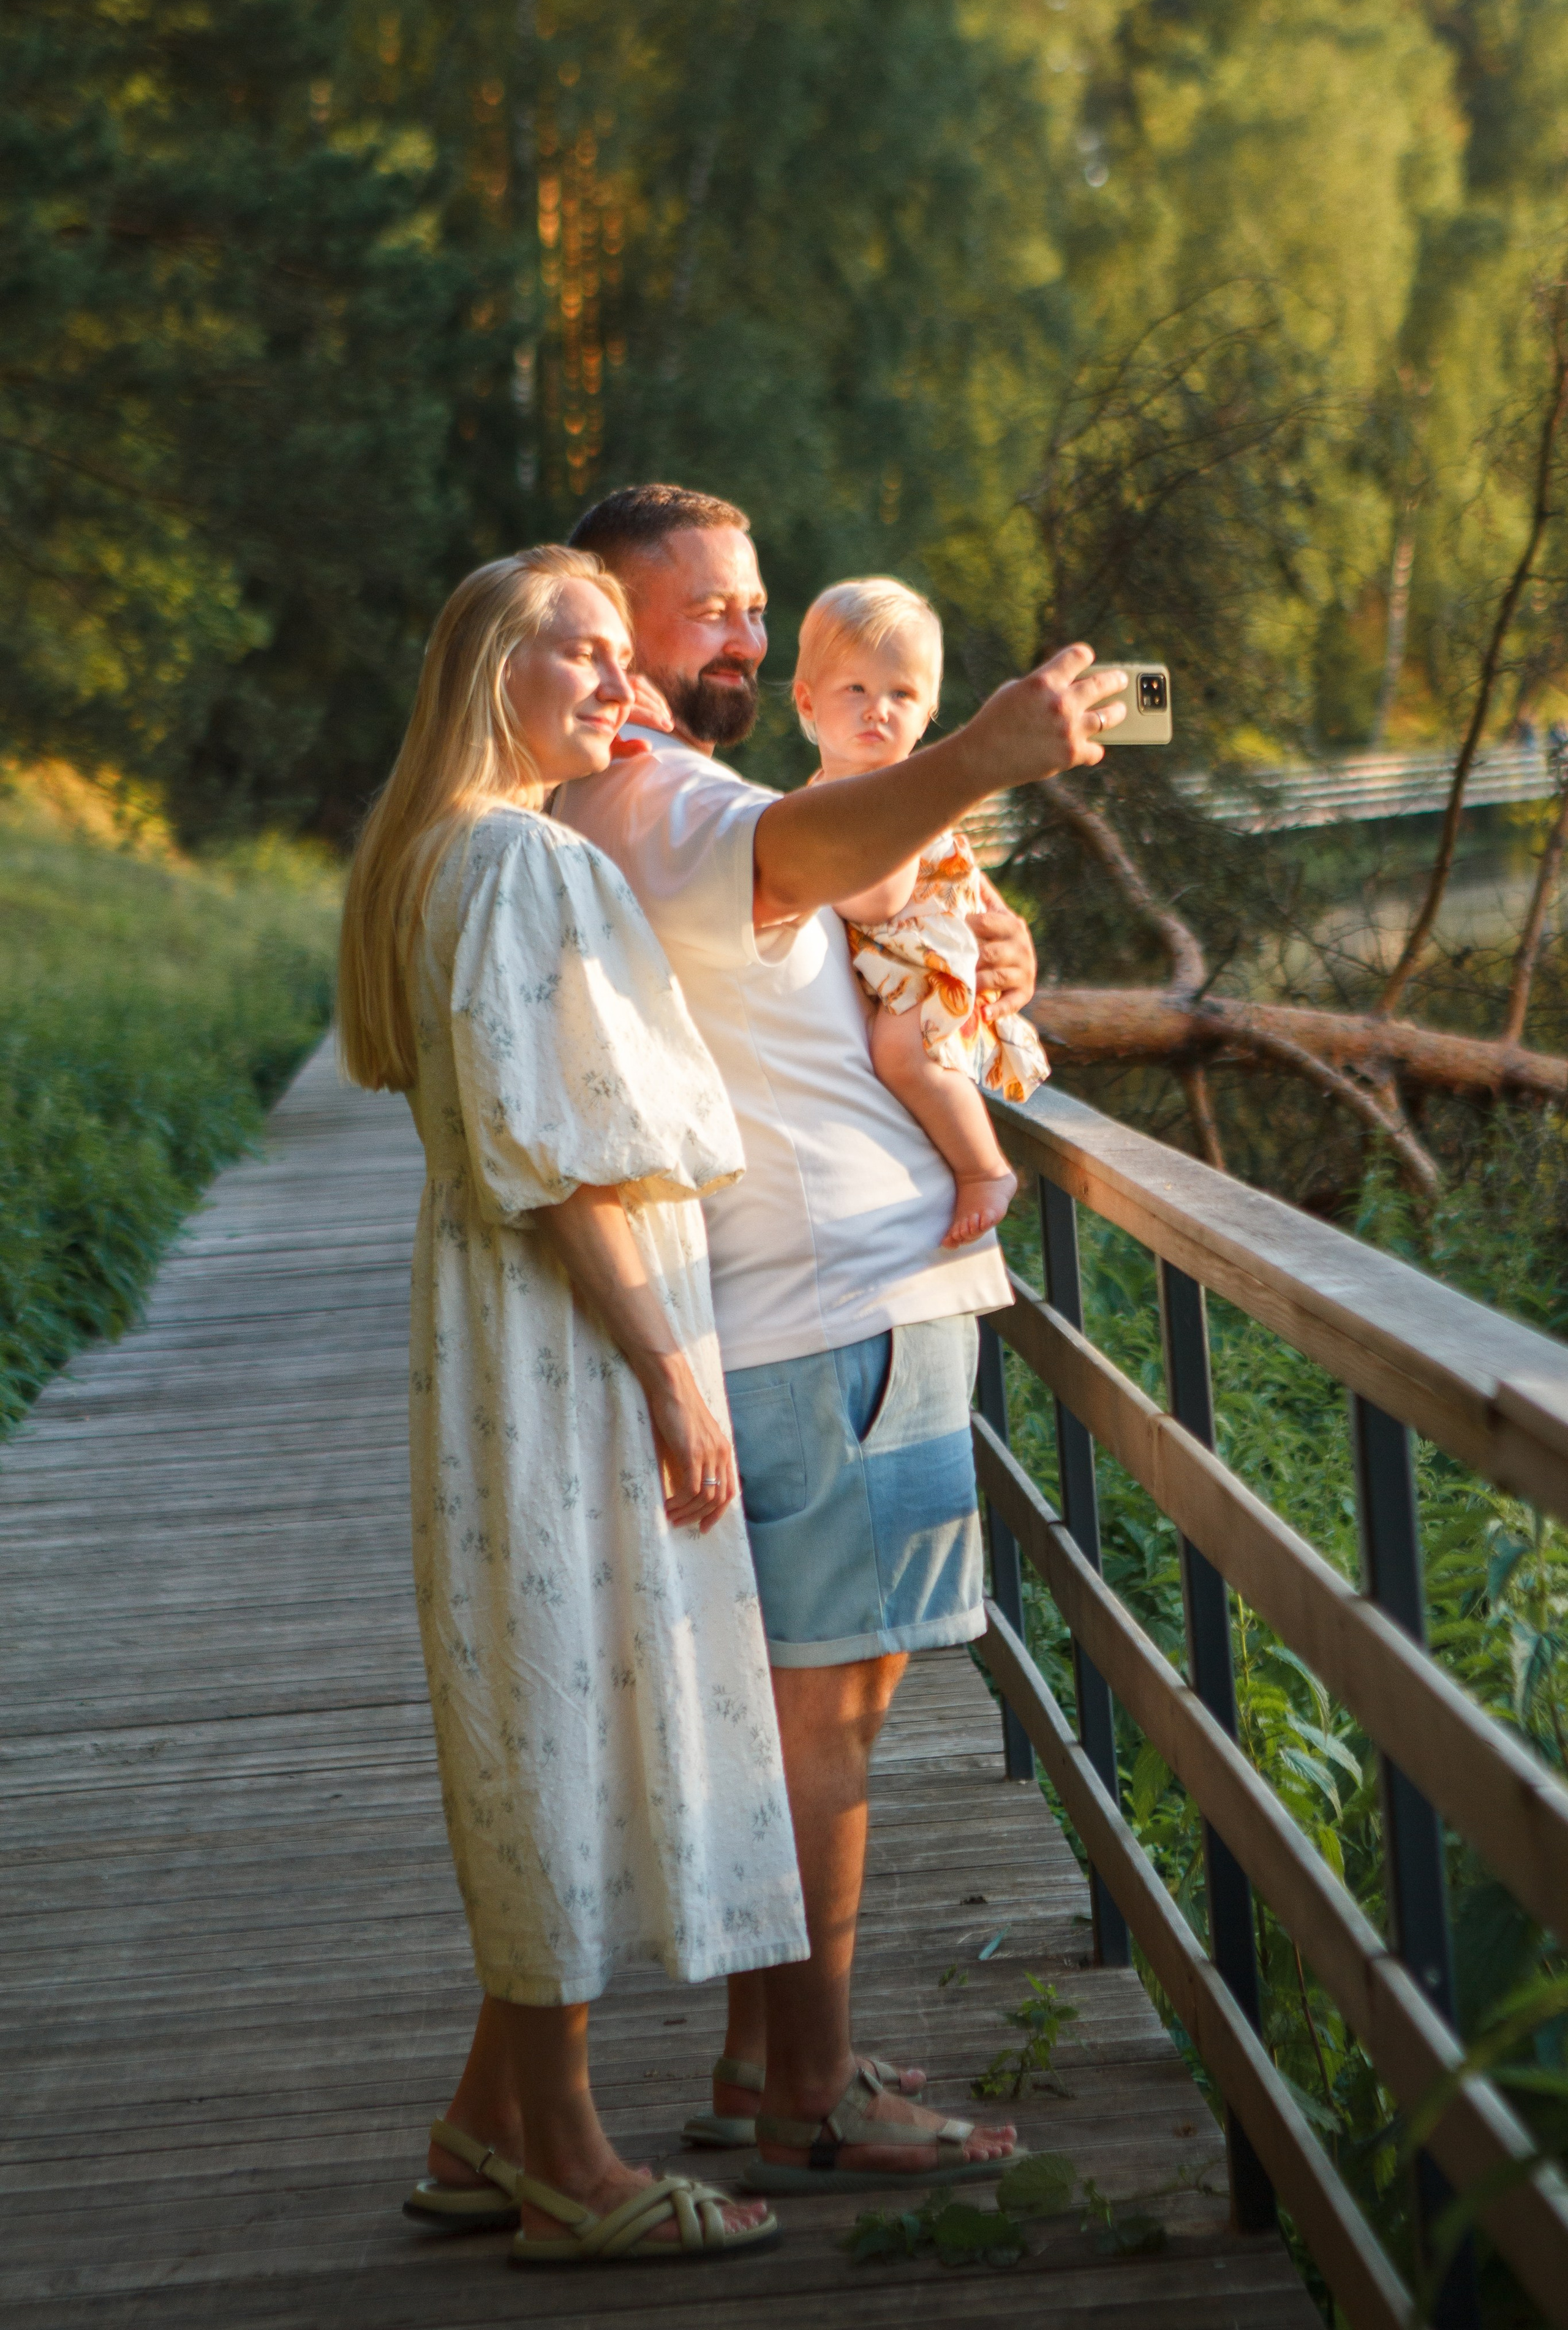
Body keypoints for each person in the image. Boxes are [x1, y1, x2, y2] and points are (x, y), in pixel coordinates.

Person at [557, 484, 1124, 2193]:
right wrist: (987, 754)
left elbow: (843, 914)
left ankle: (763, 2061)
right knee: (833, 1726)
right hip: (838, 1305)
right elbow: (805, 857)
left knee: (818, 1708)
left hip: (815, 1304)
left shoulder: (656, 788)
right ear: (608, 626)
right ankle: (814, 2090)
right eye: (705, 611)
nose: (739, 631)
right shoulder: (654, 796)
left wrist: (992, 948)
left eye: (752, 605)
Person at [336, 545, 809, 2263]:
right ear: (493, 676)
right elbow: (559, 1167)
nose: (629, 688)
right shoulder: (519, 860)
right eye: (585, 656)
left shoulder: (441, 854)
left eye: (632, 657)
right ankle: (575, 2170)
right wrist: (676, 1374)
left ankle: (486, 2129)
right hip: (570, 1336)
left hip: (521, 1331)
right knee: (561, 1724)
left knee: (554, 1699)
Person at [793, 575, 1052, 1250]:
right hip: (899, 970)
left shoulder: (912, 800)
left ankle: (984, 1169)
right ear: (806, 700)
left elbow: (900, 895)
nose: (878, 709)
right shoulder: (811, 808)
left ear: (930, 710)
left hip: (927, 969)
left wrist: (1011, 943)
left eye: (901, 694)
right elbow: (871, 899)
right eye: (856, 689)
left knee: (902, 1052)